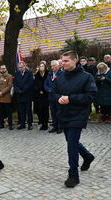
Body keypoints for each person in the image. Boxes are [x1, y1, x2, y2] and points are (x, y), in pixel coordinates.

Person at [52, 51, 97, 188]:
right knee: (71, 141)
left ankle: (73, 175)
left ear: (75, 60)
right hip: (63, 114)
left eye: (66, 61)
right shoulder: (59, 77)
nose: (63, 63)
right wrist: (58, 98)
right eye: (62, 61)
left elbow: (91, 95)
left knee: (71, 143)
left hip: (78, 115)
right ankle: (88, 156)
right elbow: (53, 93)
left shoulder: (86, 77)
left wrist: (70, 99)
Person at [13, 62, 34, 130]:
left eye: (21, 67)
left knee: (28, 110)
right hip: (19, 95)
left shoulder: (29, 73)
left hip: (27, 94)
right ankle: (22, 123)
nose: (20, 69)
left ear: (24, 66)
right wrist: (18, 90)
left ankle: (30, 124)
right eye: (19, 67)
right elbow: (14, 83)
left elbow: (30, 83)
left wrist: (23, 90)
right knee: (21, 110)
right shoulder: (16, 74)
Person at [44, 60, 63, 134]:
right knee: (53, 112)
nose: (52, 67)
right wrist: (48, 89)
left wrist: (54, 90)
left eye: (54, 65)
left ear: (58, 66)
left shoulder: (62, 73)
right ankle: (55, 126)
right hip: (51, 96)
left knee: (59, 112)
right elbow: (45, 84)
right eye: (51, 66)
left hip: (58, 96)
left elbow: (62, 84)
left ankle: (60, 127)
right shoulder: (50, 74)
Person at [0, 65, 13, 130]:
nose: (3, 69)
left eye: (4, 68)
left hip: (6, 97)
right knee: (1, 112)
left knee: (8, 112)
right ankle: (1, 124)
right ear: (0, 69)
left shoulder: (9, 76)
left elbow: (9, 86)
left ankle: (10, 124)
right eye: (2, 68)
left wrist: (2, 92)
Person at [34, 63, 49, 130]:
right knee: (40, 109)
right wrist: (39, 90)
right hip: (39, 95)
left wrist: (44, 90)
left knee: (45, 109)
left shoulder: (48, 74)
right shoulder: (37, 75)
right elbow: (35, 84)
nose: (41, 67)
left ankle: (46, 124)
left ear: (45, 67)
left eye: (43, 66)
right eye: (40, 66)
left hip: (46, 94)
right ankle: (42, 124)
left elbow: (48, 83)